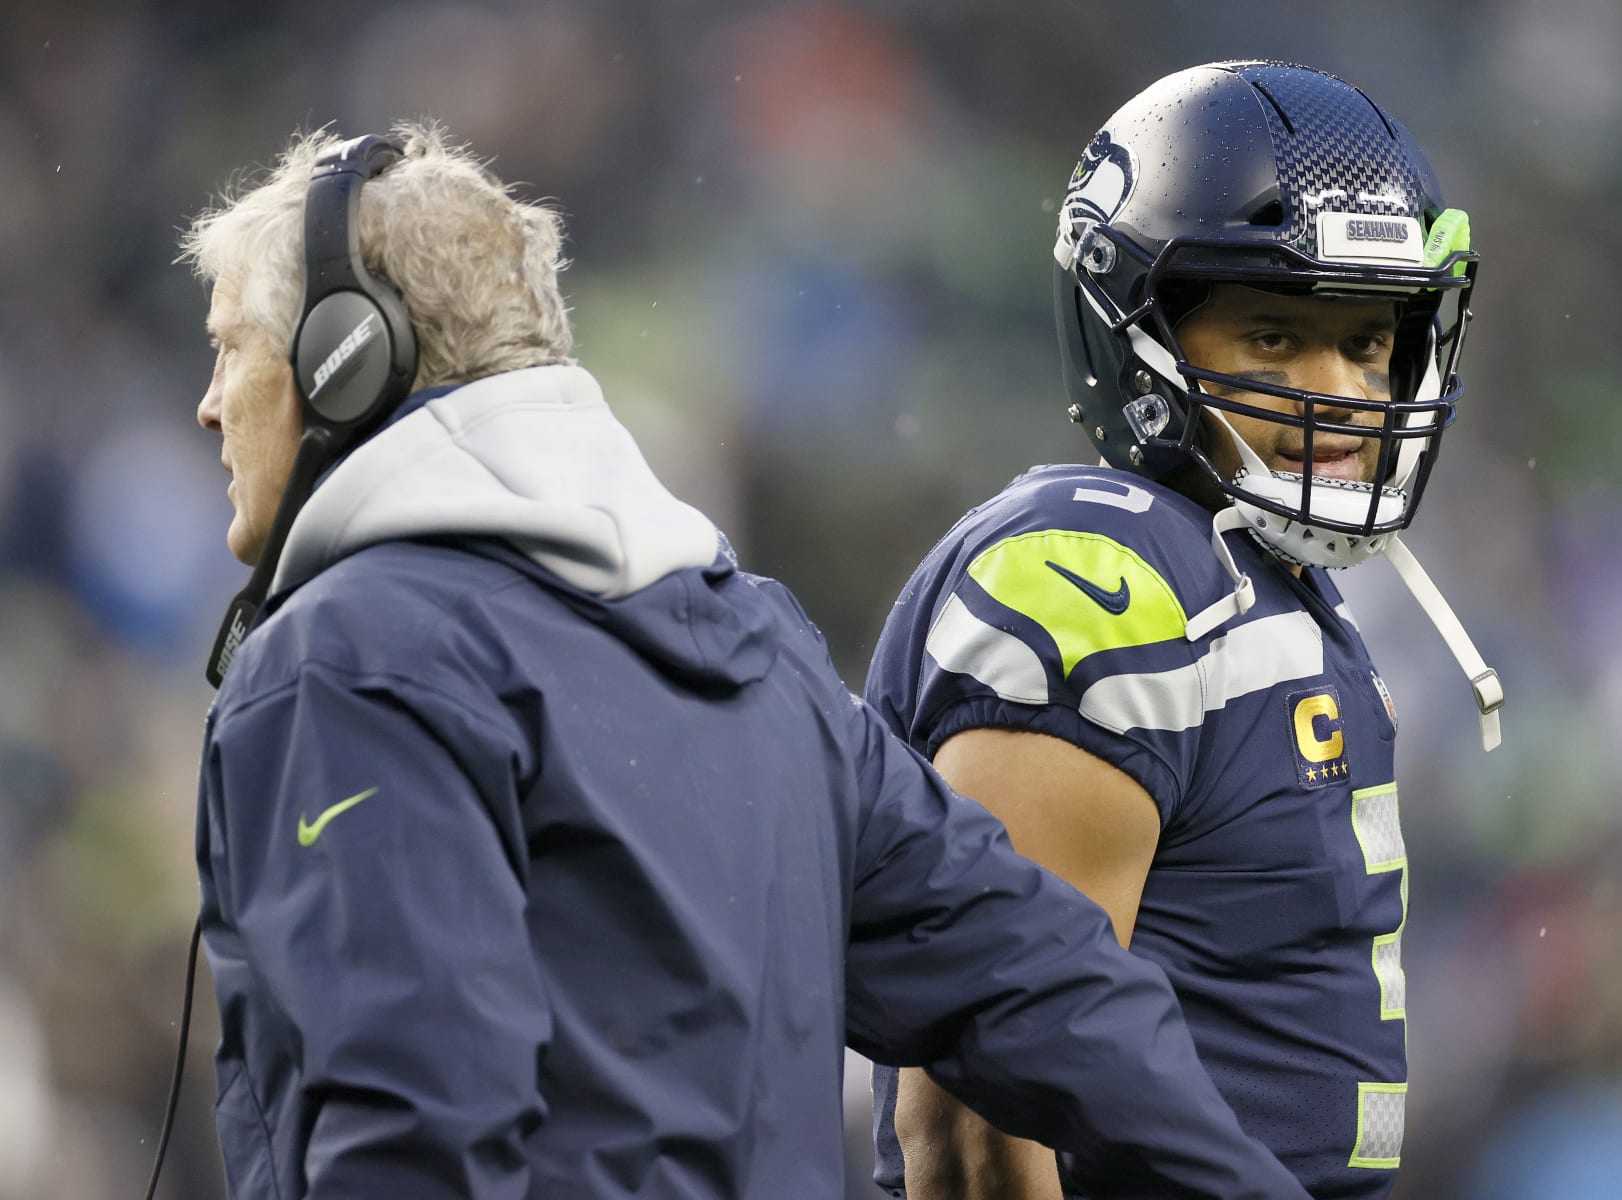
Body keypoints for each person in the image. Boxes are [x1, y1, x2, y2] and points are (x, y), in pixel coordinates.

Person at [179, 123, 1316, 1200]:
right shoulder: (760, 650)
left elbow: (410, 1138)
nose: (209, 405)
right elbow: (1056, 1000)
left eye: (232, 346)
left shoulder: (350, 661)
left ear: (347, 358)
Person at [865, 61, 1506, 1199]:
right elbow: (975, 1105)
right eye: (1273, 337)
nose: (1346, 390)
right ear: (1136, 334)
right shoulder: (1100, 571)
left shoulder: (1264, 579)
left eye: (1368, 342)